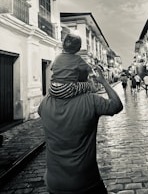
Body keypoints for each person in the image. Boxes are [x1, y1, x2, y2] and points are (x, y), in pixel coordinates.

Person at [38, 66, 123, 194]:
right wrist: (103, 82)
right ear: (84, 81)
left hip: (55, 184)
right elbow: (116, 105)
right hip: (85, 182)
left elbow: (48, 101)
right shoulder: (91, 101)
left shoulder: (45, 103)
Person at [50, 33, 95, 99]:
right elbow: (89, 69)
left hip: (53, 89)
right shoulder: (77, 59)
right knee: (89, 85)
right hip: (67, 89)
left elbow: (52, 68)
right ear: (78, 48)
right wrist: (92, 75)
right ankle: (94, 93)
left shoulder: (57, 57)